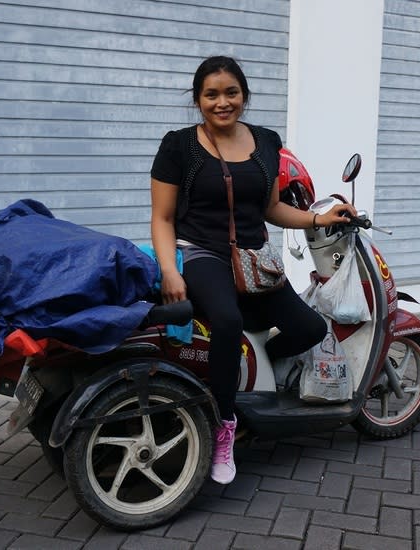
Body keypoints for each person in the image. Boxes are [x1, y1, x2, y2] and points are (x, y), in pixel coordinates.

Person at [150, 55, 356, 485]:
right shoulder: (178, 146)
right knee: (226, 321)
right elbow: (163, 217)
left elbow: (272, 209)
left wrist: (322, 218)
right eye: (211, 94)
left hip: (253, 259)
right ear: (197, 99)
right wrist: (171, 269)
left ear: (244, 95)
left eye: (231, 93)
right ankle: (225, 426)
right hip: (202, 254)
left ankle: (256, 378)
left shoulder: (266, 141)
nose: (222, 102)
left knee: (310, 329)